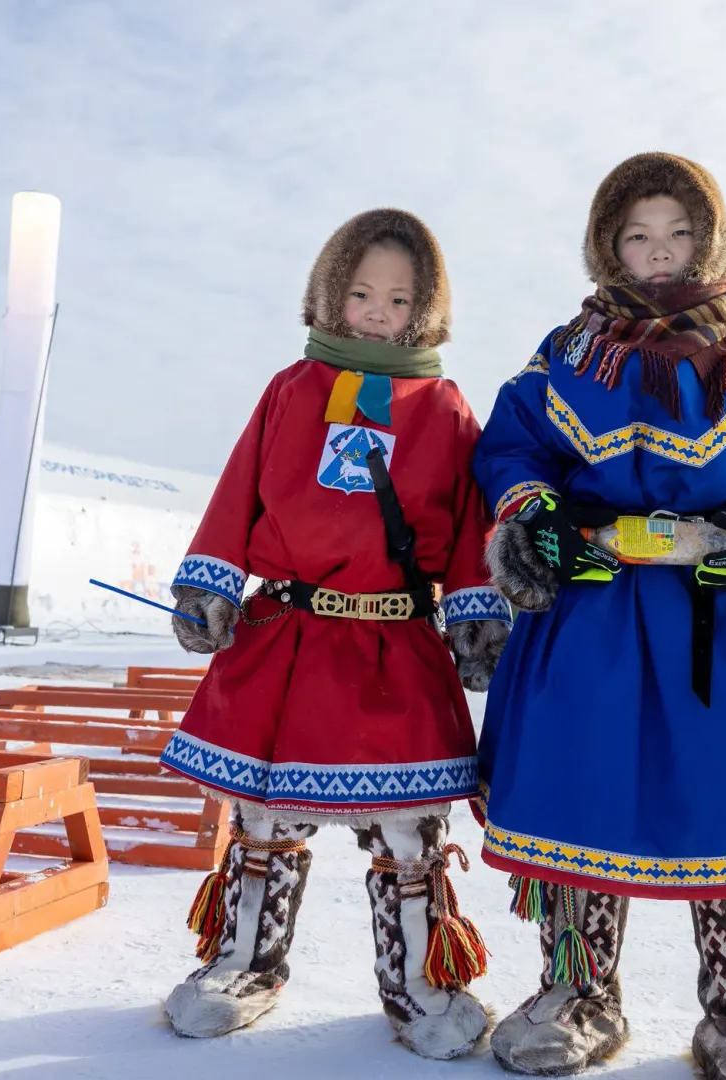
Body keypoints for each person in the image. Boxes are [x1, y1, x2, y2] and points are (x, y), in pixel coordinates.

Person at [473, 153, 726, 1079]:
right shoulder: (564, 353)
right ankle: (580, 993)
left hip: (722, 611)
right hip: (592, 607)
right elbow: (511, 448)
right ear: (607, 245)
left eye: (679, 234)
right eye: (637, 236)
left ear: (711, 240)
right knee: (581, 789)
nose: (658, 255)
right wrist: (532, 518)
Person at [158, 209, 512, 1060]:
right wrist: (209, 582)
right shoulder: (290, 388)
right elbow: (239, 488)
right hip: (290, 635)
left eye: (397, 298)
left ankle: (421, 985)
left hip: (395, 643)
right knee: (263, 819)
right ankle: (244, 963)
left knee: (408, 833)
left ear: (425, 307)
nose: (378, 312)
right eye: (360, 293)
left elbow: (469, 522)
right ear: (329, 293)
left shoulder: (445, 404)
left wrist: (475, 613)